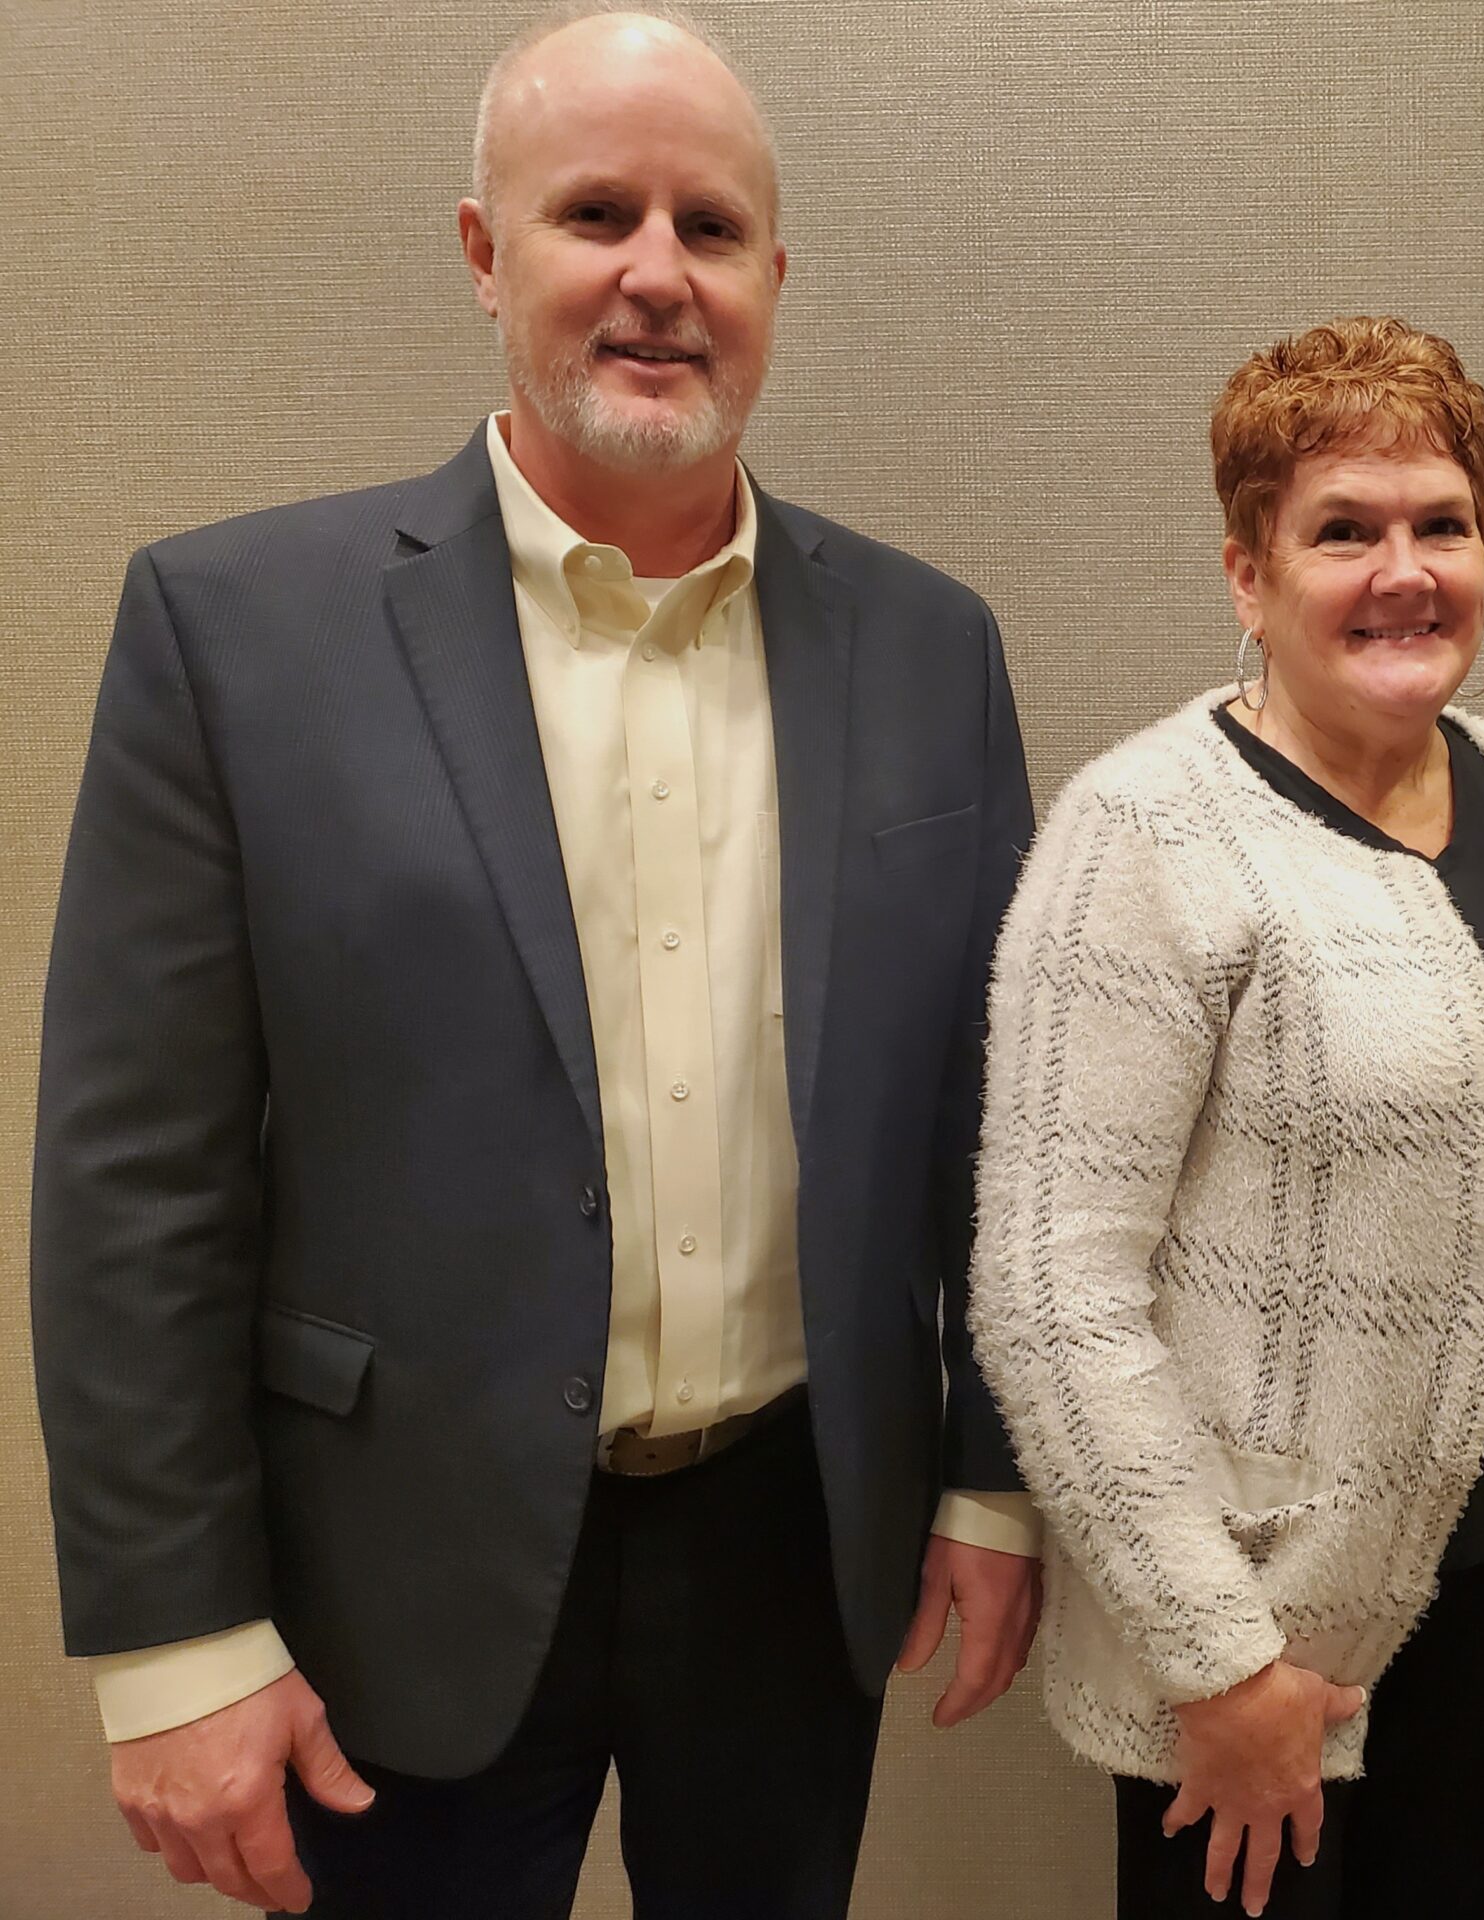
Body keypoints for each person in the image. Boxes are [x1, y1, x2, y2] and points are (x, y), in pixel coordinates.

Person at [30, 10, 1041, 1915]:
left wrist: (993, 1481)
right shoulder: (234, 632)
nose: (658, 273)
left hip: (790, 1541)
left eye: (713, 228)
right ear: (486, 252)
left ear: (773, 277)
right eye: (596, 213)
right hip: (385, 1566)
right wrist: (172, 1640)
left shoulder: (928, 647)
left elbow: (1001, 1120)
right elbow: (132, 1178)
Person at [969, 316, 1484, 1920]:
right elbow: (1050, 1292)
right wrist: (1222, 1663)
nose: (1404, 571)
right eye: (1343, 530)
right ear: (1247, 574)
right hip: (1256, 1637)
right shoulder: (1144, 830)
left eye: (1444, 524)